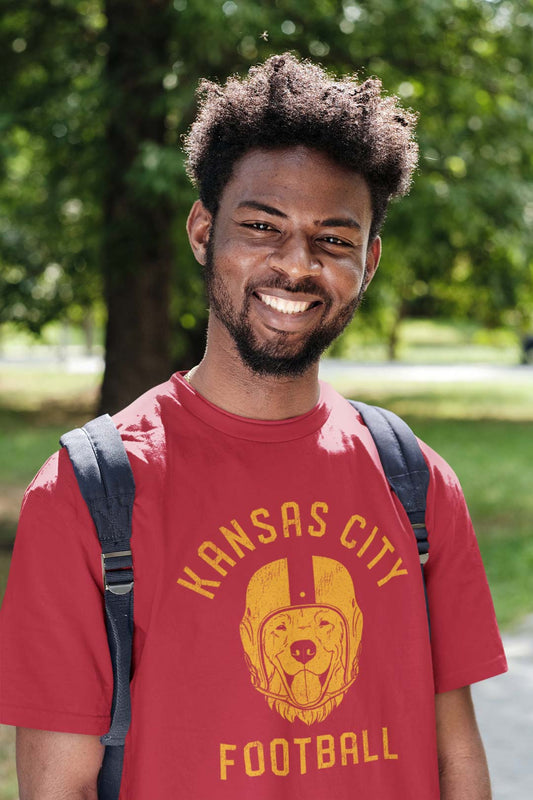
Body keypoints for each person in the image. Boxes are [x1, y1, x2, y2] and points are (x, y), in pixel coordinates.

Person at [0, 54, 507, 799]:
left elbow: (455, 759)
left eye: (333, 239)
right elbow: (58, 790)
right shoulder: (88, 494)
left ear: (368, 262)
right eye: (262, 226)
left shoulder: (415, 481)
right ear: (203, 230)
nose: (295, 265)